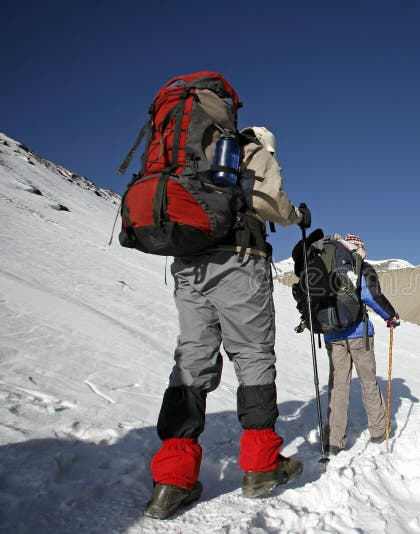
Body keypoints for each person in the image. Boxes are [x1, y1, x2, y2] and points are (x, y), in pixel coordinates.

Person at [144, 129, 312, 520]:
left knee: (192, 359)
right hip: (238, 260)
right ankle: (261, 465)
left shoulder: (191, 156)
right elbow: (268, 201)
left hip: (188, 264)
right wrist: (298, 215)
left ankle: (172, 478)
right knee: (252, 354)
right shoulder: (252, 150)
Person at [323, 234, 400, 454]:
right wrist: (391, 315)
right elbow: (371, 296)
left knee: (338, 387)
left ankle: (334, 441)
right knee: (368, 382)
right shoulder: (359, 266)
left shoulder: (327, 264)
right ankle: (378, 430)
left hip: (332, 335)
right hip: (359, 334)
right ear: (359, 248)